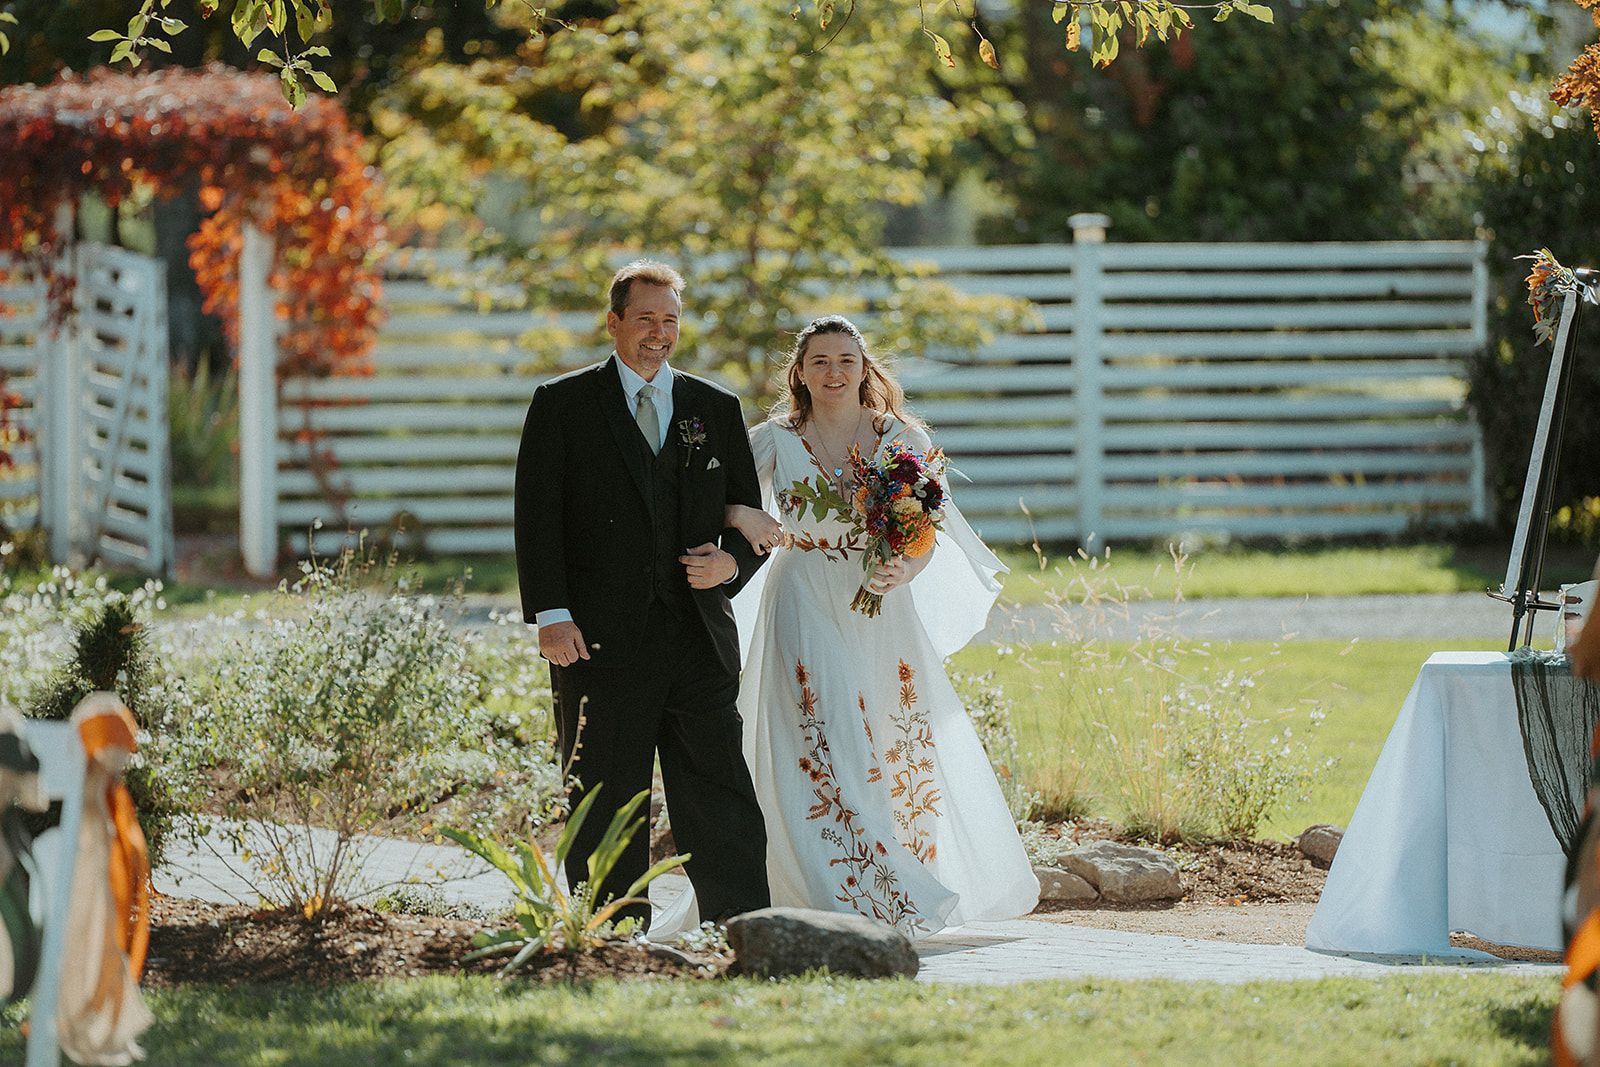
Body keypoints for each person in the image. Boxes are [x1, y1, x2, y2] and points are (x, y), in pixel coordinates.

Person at [652, 314, 1039, 940]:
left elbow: (924, 527)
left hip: (880, 606)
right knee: (824, 733)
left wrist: (904, 568)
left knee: (891, 737)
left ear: (865, 370)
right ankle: (850, 886)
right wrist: (745, 515)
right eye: (820, 362)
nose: (834, 373)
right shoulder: (774, 439)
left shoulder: (899, 435)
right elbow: (710, 492)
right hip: (803, 594)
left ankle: (902, 867)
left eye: (846, 361)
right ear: (799, 373)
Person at [514, 260, 771, 927]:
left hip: (697, 637)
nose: (659, 333)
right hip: (597, 639)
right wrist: (551, 613)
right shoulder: (562, 405)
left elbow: (745, 513)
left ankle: (739, 925)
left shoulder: (715, 409)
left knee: (719, 789)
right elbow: (537, 517)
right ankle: (613, 929)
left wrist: (732, 566)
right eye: (645, 318)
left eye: (671, 319)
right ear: (614, 322)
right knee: (605, 791)